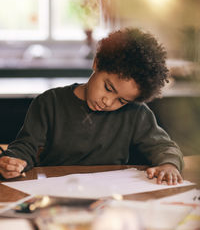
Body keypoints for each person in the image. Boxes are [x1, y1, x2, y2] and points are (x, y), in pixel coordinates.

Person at [0, 28, 183, 185]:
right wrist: (14, 161)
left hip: (111, 195)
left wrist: (169, 164)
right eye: (108, 88)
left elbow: (164, 146)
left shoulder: (136, 113)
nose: (108, 102)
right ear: (96, 63)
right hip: (56, 191)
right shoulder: (50, 102)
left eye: (122, 101)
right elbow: (26, 145)